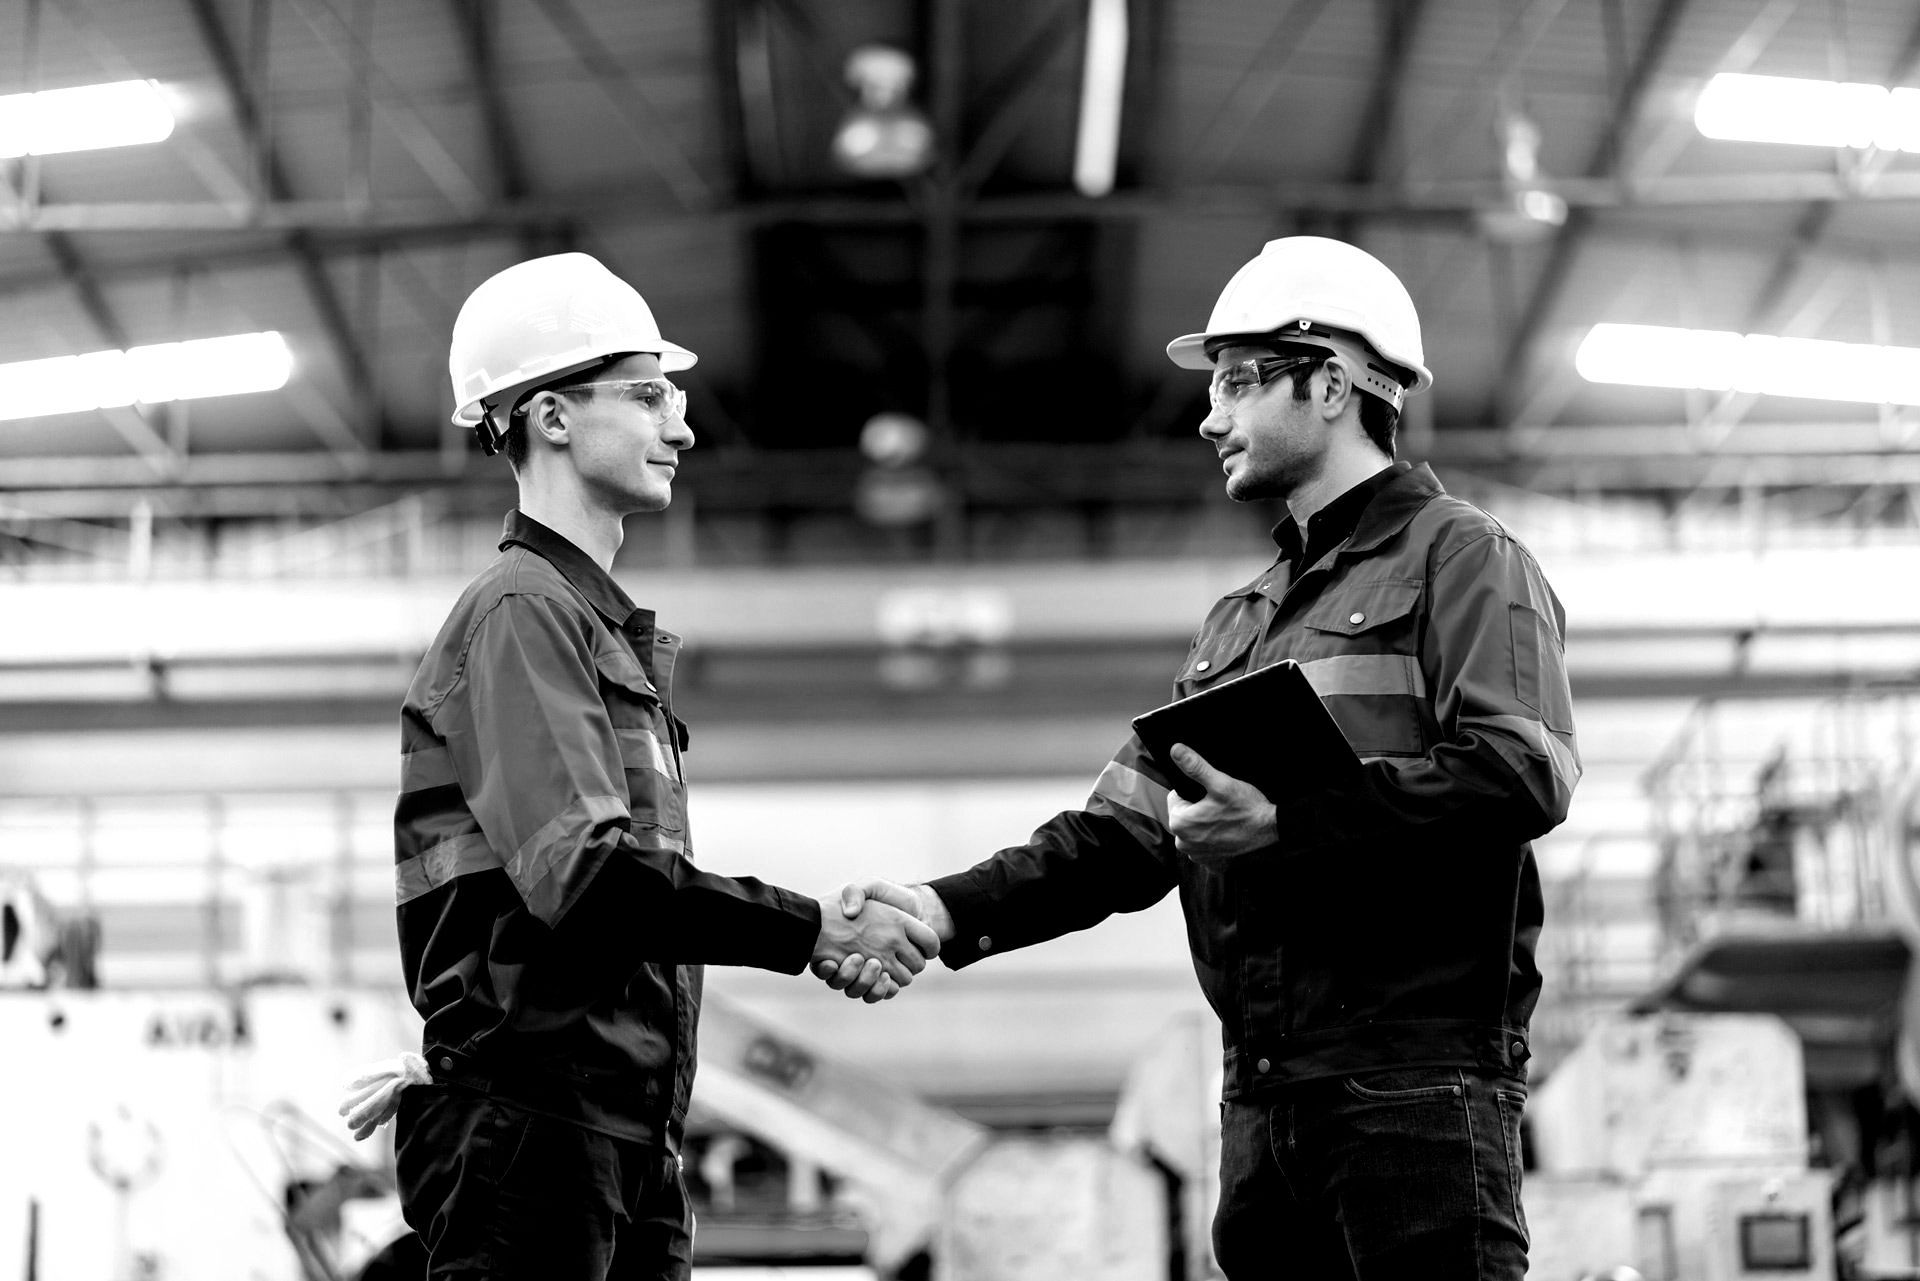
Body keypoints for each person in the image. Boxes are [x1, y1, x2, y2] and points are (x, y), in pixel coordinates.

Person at [822, 236, 1579, 1279]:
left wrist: (1291, 825)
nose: (1209, 415)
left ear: (1330, 383)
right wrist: (946, 908)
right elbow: (1120, 836)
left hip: (1416, 1087)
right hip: (1264, 1099)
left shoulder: (1466, 558)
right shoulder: (1240, 623)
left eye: (1235, 381)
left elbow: (1521, 769)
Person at [383, 252, 940, 1281]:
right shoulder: (522, 614)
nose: (681, 426)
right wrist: (812, 926)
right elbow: (590, 885)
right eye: (648, 395)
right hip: (541, 1138)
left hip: (616, 1134)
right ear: (550, 417)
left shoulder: (587, 629)